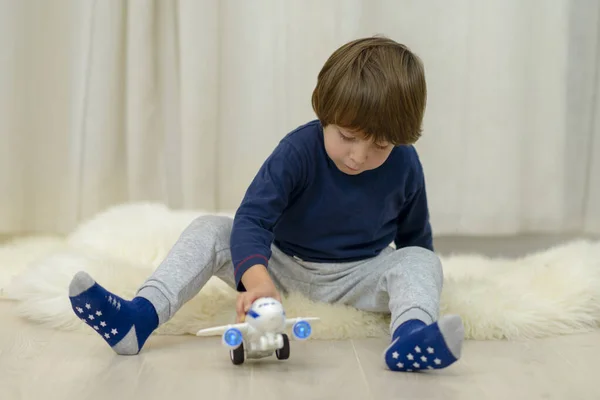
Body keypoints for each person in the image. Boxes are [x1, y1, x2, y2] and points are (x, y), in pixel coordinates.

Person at [68, 35, 464, 372]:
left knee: (421, 261)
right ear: (325, 115)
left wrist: (417, 286)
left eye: (379, 145)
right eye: (347, 136)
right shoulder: (297, 152)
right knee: (211, 229)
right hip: (282, 265)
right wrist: (258, 282)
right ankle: (139, 317)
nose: (359, 156)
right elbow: (252, 220)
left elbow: (415, 239)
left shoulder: (405, 164)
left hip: (358, 277)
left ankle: (411, 336)